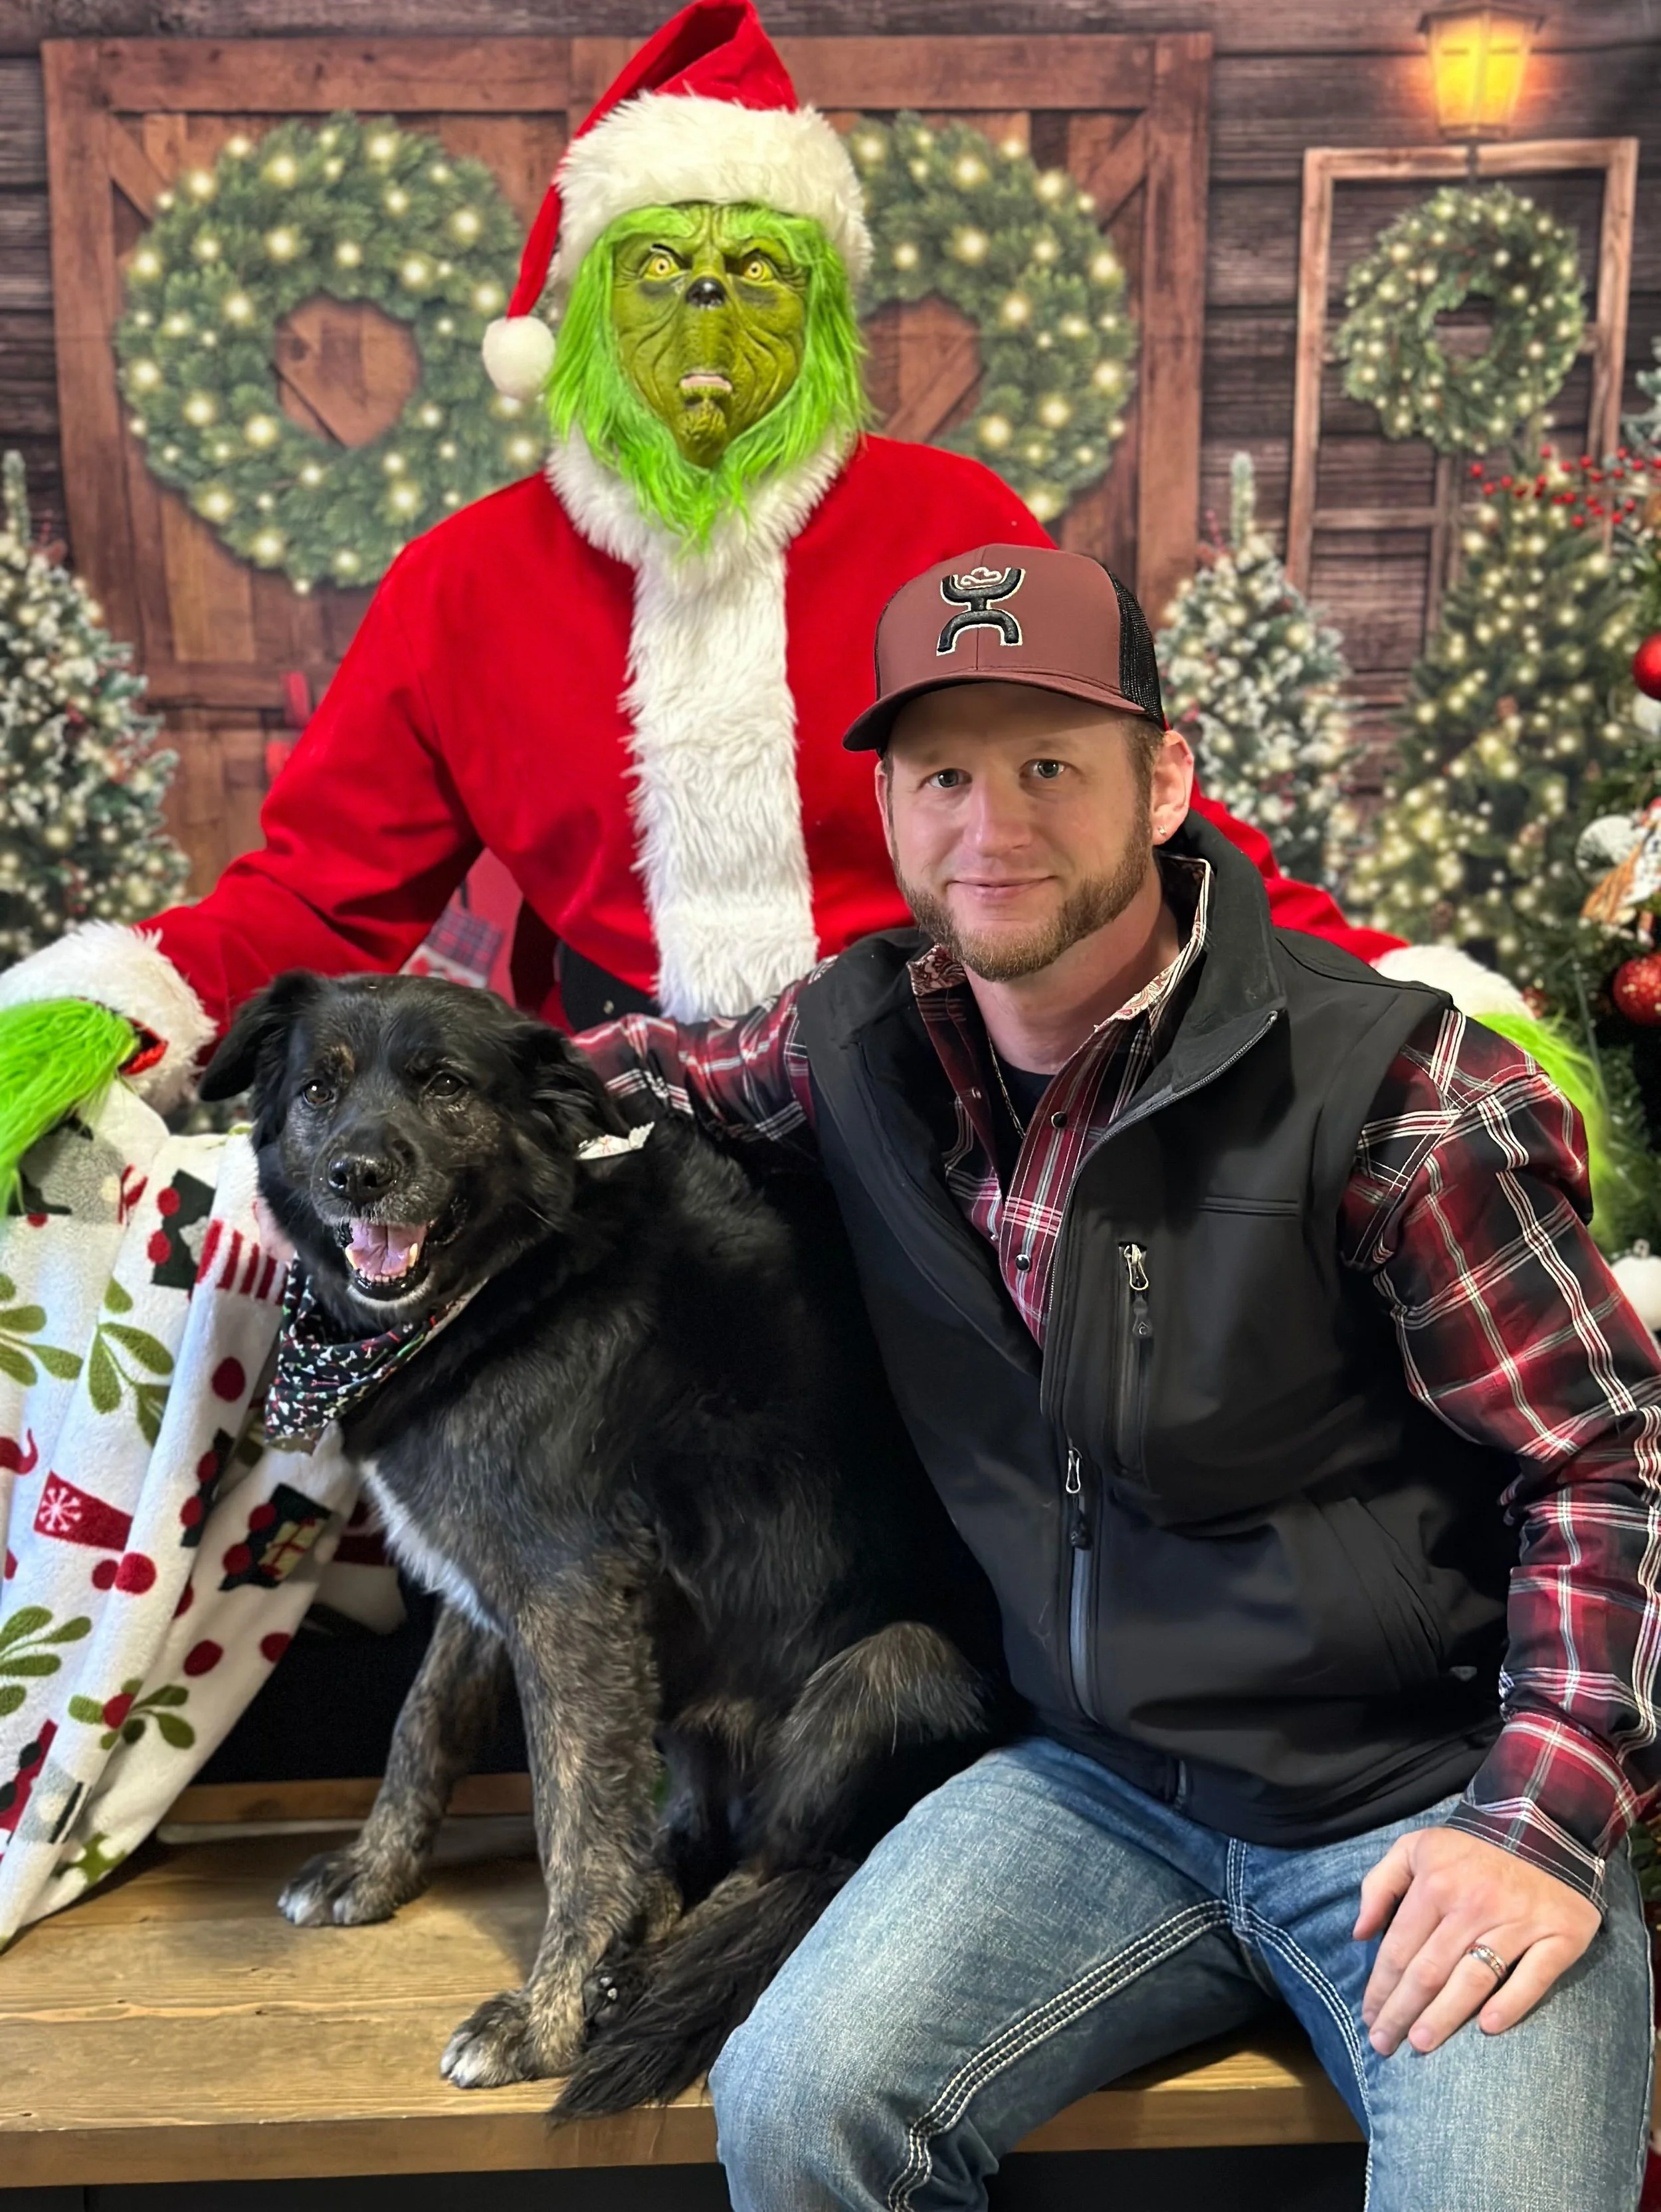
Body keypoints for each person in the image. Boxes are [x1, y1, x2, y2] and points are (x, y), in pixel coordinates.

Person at [578, 542, 1660, 2212]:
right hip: (1091, 1783)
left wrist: (1539, 1818)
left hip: (1415, 1797)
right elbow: (625, 1081)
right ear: (885, 801)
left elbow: (1603, 1463)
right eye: (943, 771)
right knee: (799, 2108)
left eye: (1048, 764)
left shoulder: (1394, 1094)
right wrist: (336, 1148)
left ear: (1163, 779)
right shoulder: (852, 1043)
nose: (989, 824)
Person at [0, 0, 1401, 1134]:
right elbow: (317, 893)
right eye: (661, 267)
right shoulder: (461, 582)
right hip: (612, 1121)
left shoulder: (950, 526)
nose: (711, 304)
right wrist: (107, 1006)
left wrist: (1396, 998)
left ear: (830, 318)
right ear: (583, 319)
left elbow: (1123, 819)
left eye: (760, 268)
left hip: (943, 1099)